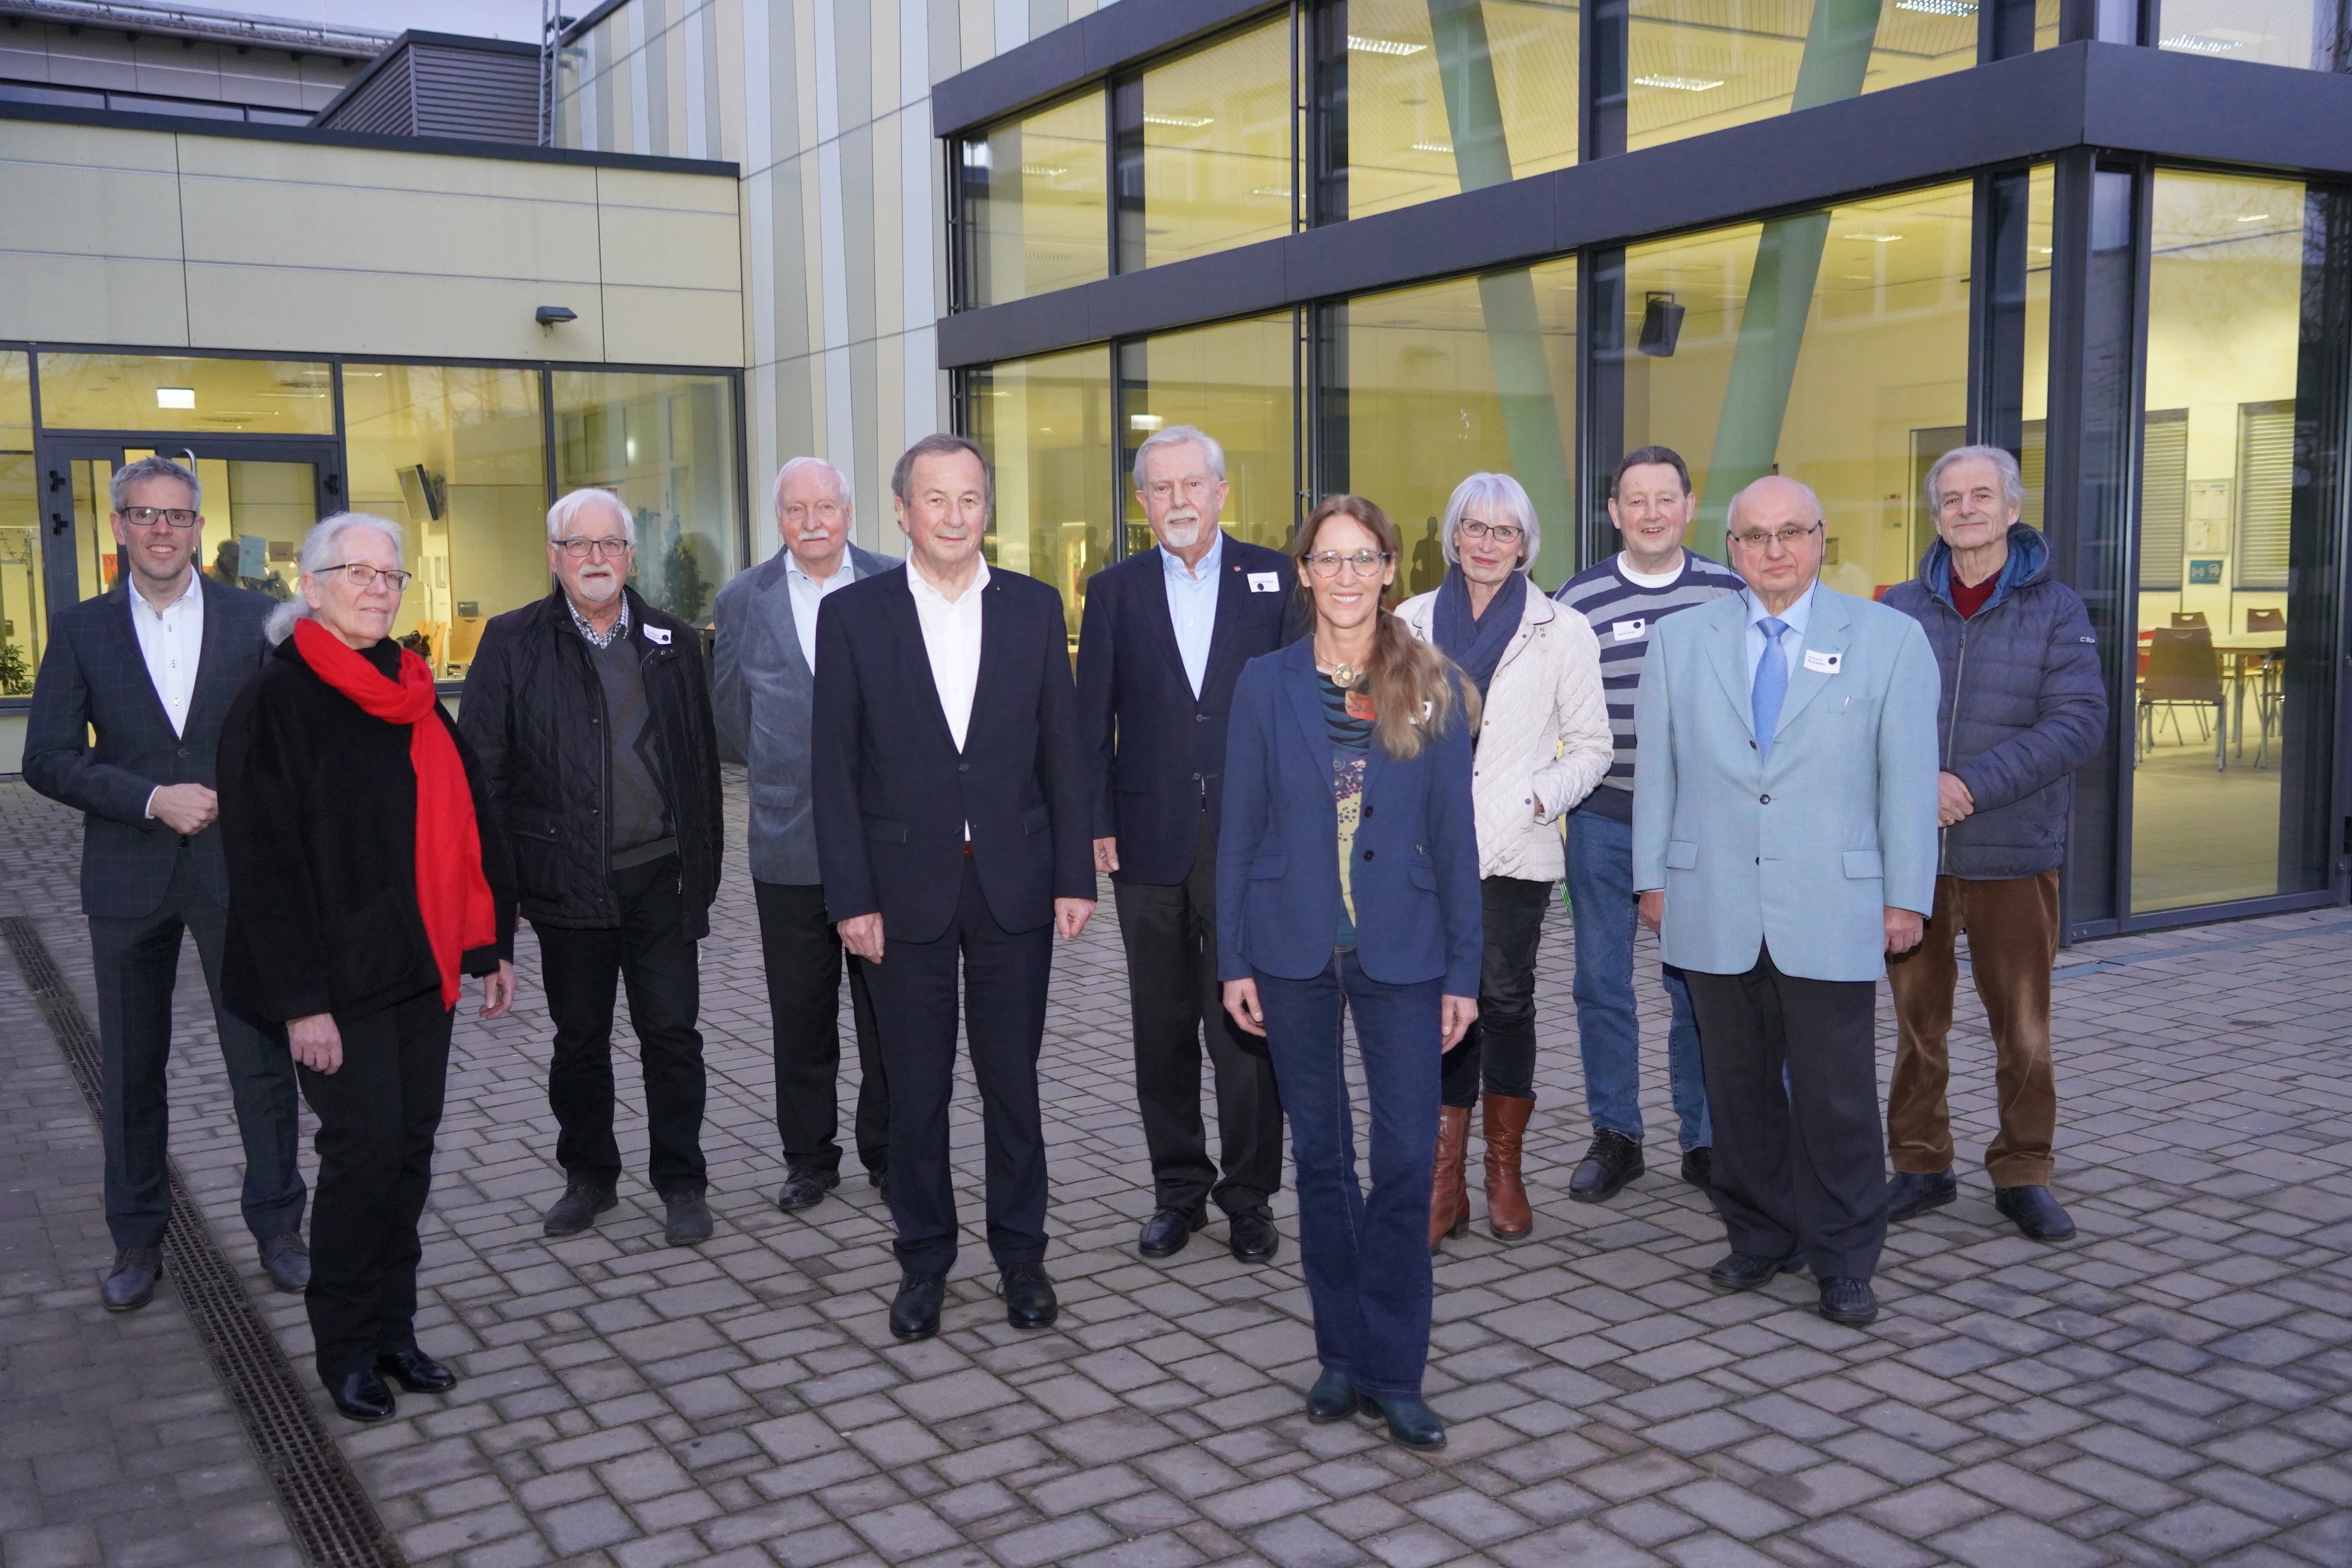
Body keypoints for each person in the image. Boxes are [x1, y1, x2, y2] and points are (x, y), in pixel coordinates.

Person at [215, 513, 516, 1422]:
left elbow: (470, 829)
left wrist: (486, 943)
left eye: (391, 575)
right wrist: (302, 1005)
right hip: (334, 988)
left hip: (422, 970)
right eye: (358, 572)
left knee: (409, 1156)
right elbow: (263, 868)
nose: (380, 588)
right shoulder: (276, 702)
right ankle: (344, 1350)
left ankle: (395, 1332)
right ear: (310, 588)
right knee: (361, 1156)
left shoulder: (415, 691)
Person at [1633, 475, 1938, 1327]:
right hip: (1712, 899)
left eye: (1791, 533)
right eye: (1755, 536)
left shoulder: (1888, 639)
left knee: (1837, 1095)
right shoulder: (1679, 639)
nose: (1774, 551)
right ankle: (1762, 1233)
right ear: (1731, 548)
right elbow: (1658, 769)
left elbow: (1907, 784)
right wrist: (1654, 877)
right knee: (1737, 1087)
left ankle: (1844, 1254)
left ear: (1821, 540)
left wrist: (1906, 894)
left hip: (1833, 905)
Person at [811, 434, 1096, 1343]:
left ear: (988, 510)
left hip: (1013, 884)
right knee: (917, 1090)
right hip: (903, 892)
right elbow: (833, 770)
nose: (954, 516)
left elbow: (1064, 749)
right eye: (935, 499)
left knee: (1013, 1085)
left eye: (969, 499)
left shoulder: (1034, 608)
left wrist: (1074, 877)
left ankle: (1023, 1259)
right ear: (902, 511)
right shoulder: (854, 618)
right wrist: (851, 898)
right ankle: (924, 1261)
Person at [1218, 494, 1481, 1451]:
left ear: (1385, 570)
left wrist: (1464, 971)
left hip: (1405, 953)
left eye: (1361, 558)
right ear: (1303, 573)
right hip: (1290, 950)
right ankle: (1340, 1353)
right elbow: (1238, 828)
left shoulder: (1430, 681)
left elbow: (1456, 835)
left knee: (1407, 1159)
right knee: (1321, 1159)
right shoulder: (1264, 682)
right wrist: (1232, 958)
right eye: (1325, 559)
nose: (1343, 576)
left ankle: (1394, 1368)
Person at [22, 454, 309, 1312]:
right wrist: (149, 798)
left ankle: (280, 1229)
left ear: (199, 528)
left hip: (236, 875)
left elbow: (289, 745)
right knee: (132, 1072)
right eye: (144, 515)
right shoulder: (79, 630)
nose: (162, 531)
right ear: (117, 526)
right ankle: (137, 1242)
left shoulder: (259, 621)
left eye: (178, 517)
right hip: (129, 877)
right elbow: (47, 758)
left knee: (259, 1061)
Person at [458, 488, 724, 1248]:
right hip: (567, 884)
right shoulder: (511, 642)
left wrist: (702, 876)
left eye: (610, 544)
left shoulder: (674, 641)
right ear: (554, 557)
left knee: (672, 1035)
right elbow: (484, 774)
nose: (596, 558)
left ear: (631, 557)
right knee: (580, 1040)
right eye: (579, 545)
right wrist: (498, 892)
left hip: (661, 880)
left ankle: (681, 1181)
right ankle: (590, 1177)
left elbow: (702, 769)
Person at [1074, 425, 1294, 1265]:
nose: (1178, 502)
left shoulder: (1273, 579)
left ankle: (1249, 1195)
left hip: (1251, 839)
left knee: (1244, 1023)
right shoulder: (1114, 590)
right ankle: (1178, 1191)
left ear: (1221, 492)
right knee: (1160, 1028)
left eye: (1192, 486)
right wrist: (1094, 823)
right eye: (1161, 490)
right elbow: (1090, 721)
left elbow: (1300, 711)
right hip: (1147, 840)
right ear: (1141, 503)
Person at [1882, 446, 2106, 1242]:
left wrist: (1964, 786)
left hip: (2014, 853)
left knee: (2023, 1030)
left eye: (1982, 496)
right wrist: (1916, 788)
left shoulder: (2058, 610)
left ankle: (2023, 1172)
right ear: (1936, 513)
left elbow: (2077, 723)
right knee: (1917, 1027)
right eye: (1951, 498)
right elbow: (1864, 720)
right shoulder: (1899, 607)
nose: (1966, 509)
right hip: (1916, 863)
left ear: (2013, 509)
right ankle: (1919, 1164)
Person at [1396, 473, 1610, 1247]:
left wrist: (1534, 801)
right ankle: (1442, 1182)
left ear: (1525, 544)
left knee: (1505, 999)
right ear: (1454, 534)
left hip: (1513, 849)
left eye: (1505, 532)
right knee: (1435, 1007)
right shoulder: (1409, 622)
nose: (1488, 544)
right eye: (1475, 529)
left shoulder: (1564, 630)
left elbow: (1593, 747)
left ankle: (1505, 1173)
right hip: (1422, 854)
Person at [1552, 447, 1742, 1202]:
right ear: (1614, 512)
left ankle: (1704, 1138)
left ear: (1691, 506)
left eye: (1667, 498)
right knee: (1602, 982)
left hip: (1701, 827)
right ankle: (1617, 1135)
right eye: (1637, 500)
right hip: (1604, 818)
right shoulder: (1579, 599)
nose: (1652, 512)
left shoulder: (1730, 590)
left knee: (1696, 984)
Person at [713, 458, 898, 1214]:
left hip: (888, 845)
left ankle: (890, 1152)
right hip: (787, 844)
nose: (813, 521)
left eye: (826, 505)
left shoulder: (895, 584)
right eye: (797, 509)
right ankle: (808, 1158)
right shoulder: (743, 599)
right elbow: (728, 719)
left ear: (850, 512)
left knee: (888, 1012)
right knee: (801, 1012)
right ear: (779, 517)